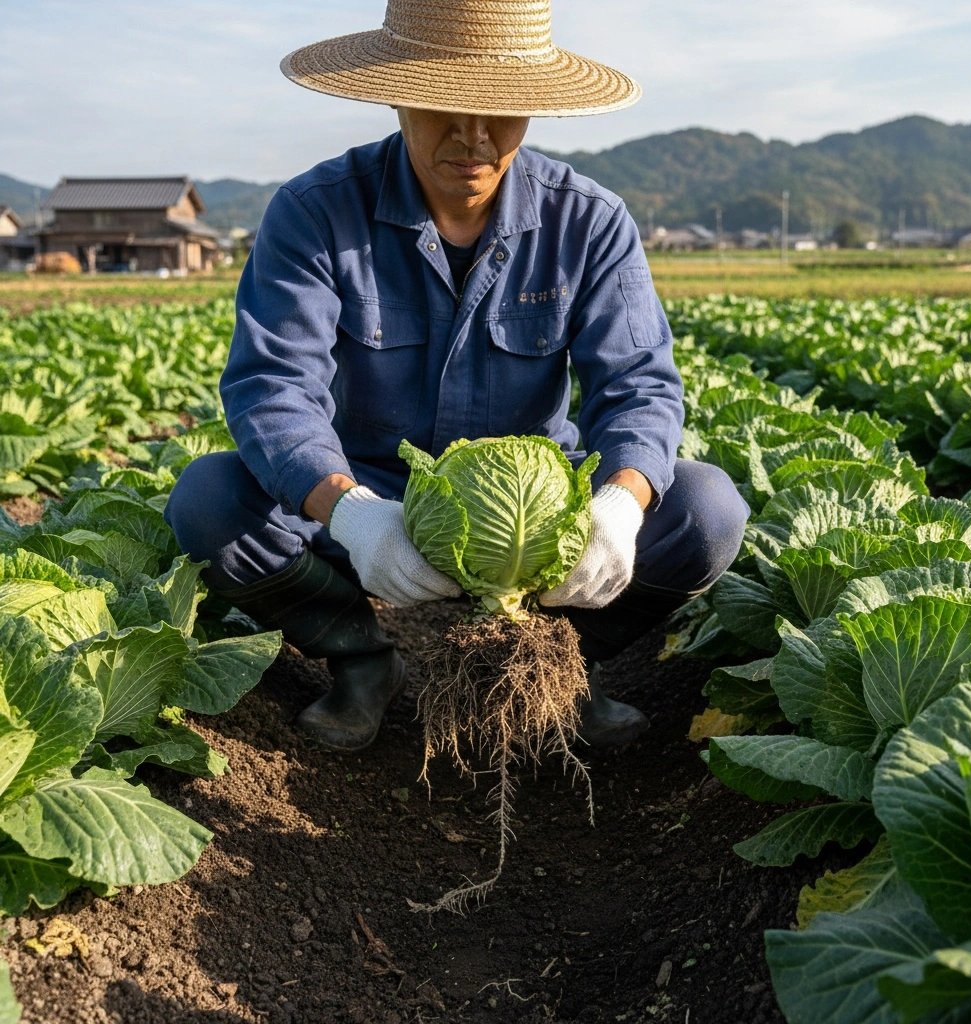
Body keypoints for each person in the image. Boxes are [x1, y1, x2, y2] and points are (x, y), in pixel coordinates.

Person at [165, 0, 749, 753]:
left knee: (706, 511)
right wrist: (351, 513)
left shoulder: (589, 222)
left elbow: (640, 385)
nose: (473, 136)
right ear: (397, 91)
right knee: (210, 502)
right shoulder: (315, 214)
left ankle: (567, 664)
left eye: (502, 111)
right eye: (445, 103)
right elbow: (272, 388)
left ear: (533, 110)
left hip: (536, 513)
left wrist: (618, 504)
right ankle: (361, 659)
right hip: (375, 493)